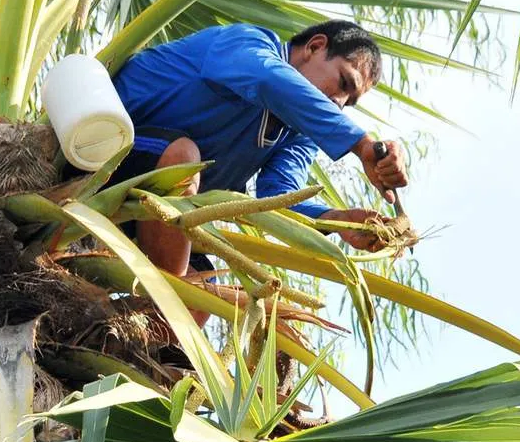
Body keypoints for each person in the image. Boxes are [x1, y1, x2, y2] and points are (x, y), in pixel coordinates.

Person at [108, 19, 409, 278]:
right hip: (101, 155)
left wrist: (335, 219)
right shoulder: (248, 43)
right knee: (183, 159)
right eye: (344, 82)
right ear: (315, 47)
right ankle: (164, 299)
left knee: (206, 290)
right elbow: (268, 80)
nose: (339, 103)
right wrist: (360, 143)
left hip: (150, 216)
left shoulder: (298, 133)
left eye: (349, 102)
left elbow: (278, 198)